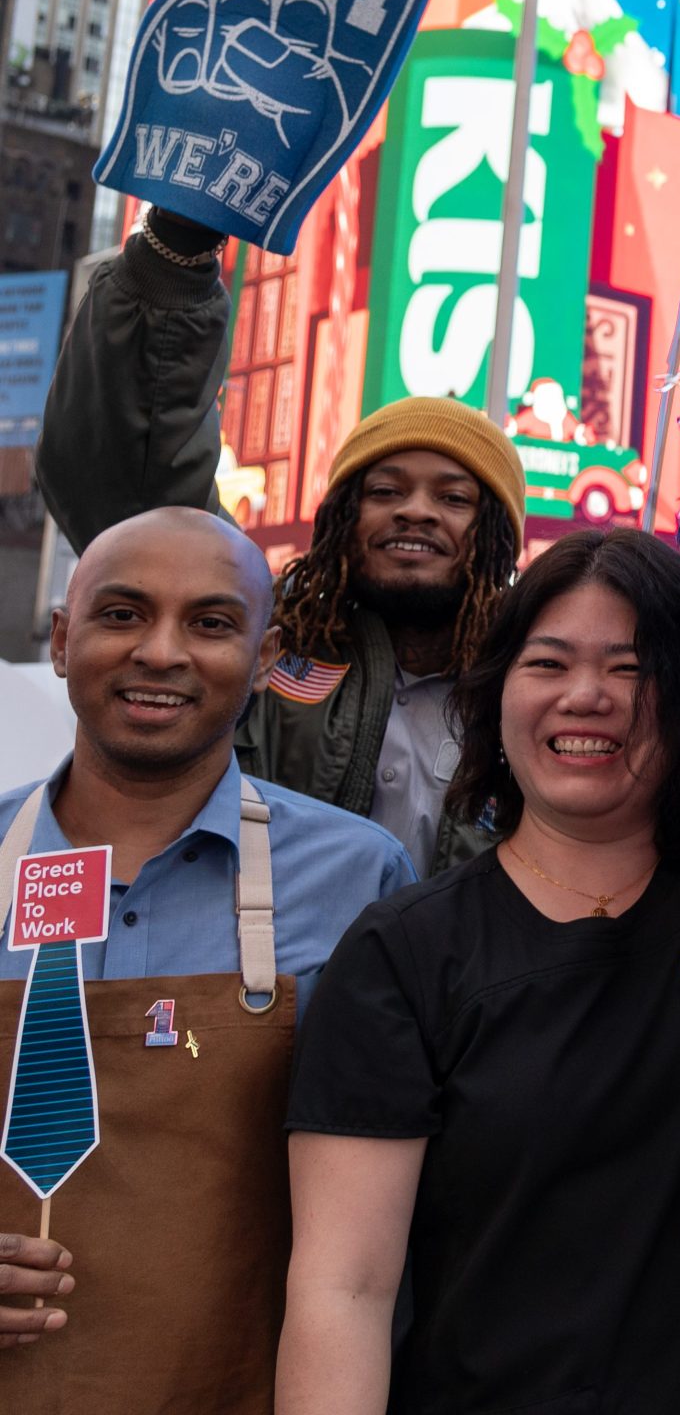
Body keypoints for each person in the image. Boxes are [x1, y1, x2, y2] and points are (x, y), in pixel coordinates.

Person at [276, 527, 680, 1414]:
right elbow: (344, 1290)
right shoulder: (401, 954)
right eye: (548, 664)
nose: (587, 697)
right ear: (497, 693)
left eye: (633, 669)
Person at [0, 507, 414, 1410]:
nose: (159, 651)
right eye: (121, 614)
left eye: (212, 623)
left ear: (267, 661)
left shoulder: (358, 879)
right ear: (63, 641)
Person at [36, 207, 529, 875]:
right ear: (339, 522)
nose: (416, 513)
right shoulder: (261, 642)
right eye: (384, 492)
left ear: (495, 535)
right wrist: (176, 252)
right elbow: (138, 482)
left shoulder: (534, 679)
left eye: (453, 498)